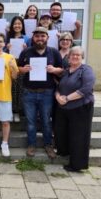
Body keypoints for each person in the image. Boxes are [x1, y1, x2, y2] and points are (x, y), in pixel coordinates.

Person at [16, 27, 64, 158]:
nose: (40, 39)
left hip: (47, 93)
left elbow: (62, 69)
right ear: (33, 38)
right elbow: (18, 68)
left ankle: (48, 145)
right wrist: (23, 70)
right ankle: (31, 145)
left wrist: (54, 70)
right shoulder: (26, 52)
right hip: (28, 93)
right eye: (37, 36)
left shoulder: (54, 52)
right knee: (31, 122)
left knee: (46, 121)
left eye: (42, 36)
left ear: (47, 38)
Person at [55, 46, 96, 172]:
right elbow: (58, 87)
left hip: (81, 107)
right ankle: (65, 153)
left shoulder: (86, 70)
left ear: (82, 57)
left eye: (78, 55)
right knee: (64, 132)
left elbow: (86, 88)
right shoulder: (66, 71)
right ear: (68, 57)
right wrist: (58, 97)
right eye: (72, 54)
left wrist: (66, 98)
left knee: (79, 136)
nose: (75, 57)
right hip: (64, 108)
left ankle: (77, 164)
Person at [6, 15, 29, 123]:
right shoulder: (7, 38)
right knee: (9, 89)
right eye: (15, 24)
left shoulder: (27, 38)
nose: (17, 26)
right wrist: (7, 48)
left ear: (22, 25)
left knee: (19, 89)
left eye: (19, 24)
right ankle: (9, 111)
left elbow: (31, 53)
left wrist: (26, 49)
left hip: (21, 66)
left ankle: (17, 112)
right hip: (9, 66)